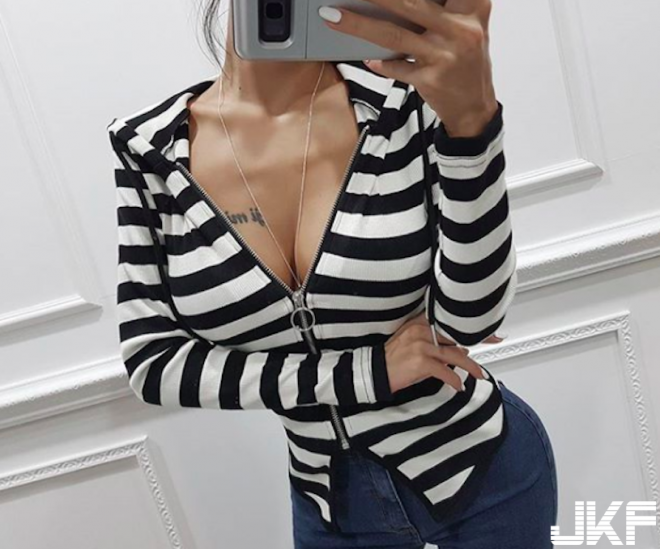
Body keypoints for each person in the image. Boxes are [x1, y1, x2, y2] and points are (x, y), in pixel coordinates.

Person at [107, 0, 558, 547]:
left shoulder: (403, 105)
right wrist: (365, 373)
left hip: (484, 473)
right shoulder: (151, 151)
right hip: (332, 506)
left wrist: (472, 127)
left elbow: (469, 319)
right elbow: (154, 363)